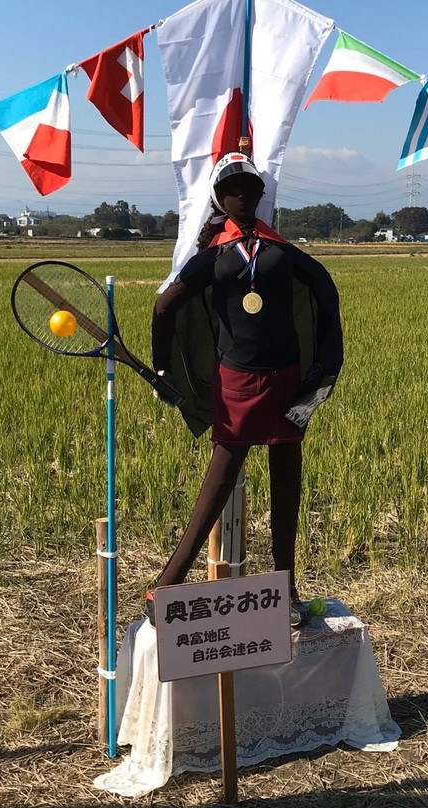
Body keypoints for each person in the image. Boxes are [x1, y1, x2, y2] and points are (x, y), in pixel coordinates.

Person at [149, 152, 343, 627]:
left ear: (260, 194)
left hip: (287, 381)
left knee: (287, 489)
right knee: (217, 482)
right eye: (233, 188)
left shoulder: (281, 251)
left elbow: (325, 288)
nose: (243, 195)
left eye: (250, 188)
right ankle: (166, 587)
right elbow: (164, 308)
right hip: (235, 383)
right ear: (220, 196)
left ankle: (286, 588)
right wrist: (161, 366)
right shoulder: (213, 256)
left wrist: (325, 366)